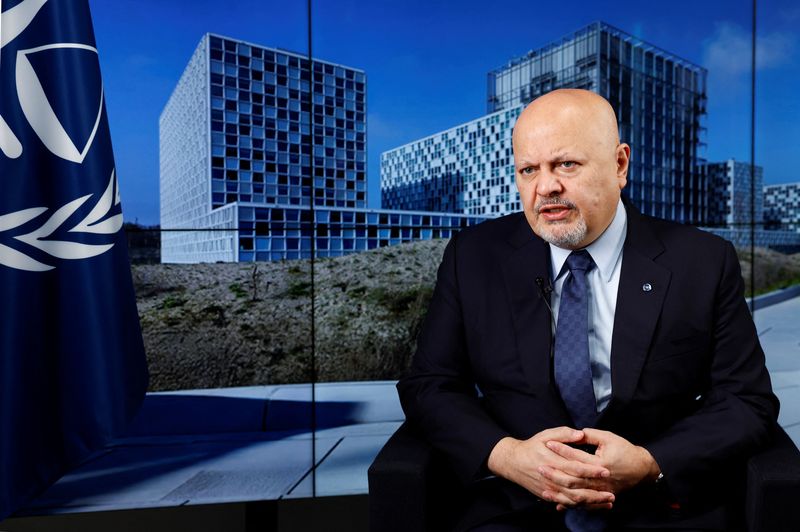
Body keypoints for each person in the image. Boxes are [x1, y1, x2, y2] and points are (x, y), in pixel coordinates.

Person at [397, 89, 779, 531]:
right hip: (514, 507)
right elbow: (429, 385)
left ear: (619, 165)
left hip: (658, 506)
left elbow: (746, 400)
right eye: (528, 170)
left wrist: (649, 461)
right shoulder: (473, 257)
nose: (545, 187)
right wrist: (508, 456)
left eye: (566, 164)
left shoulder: (703, 261)